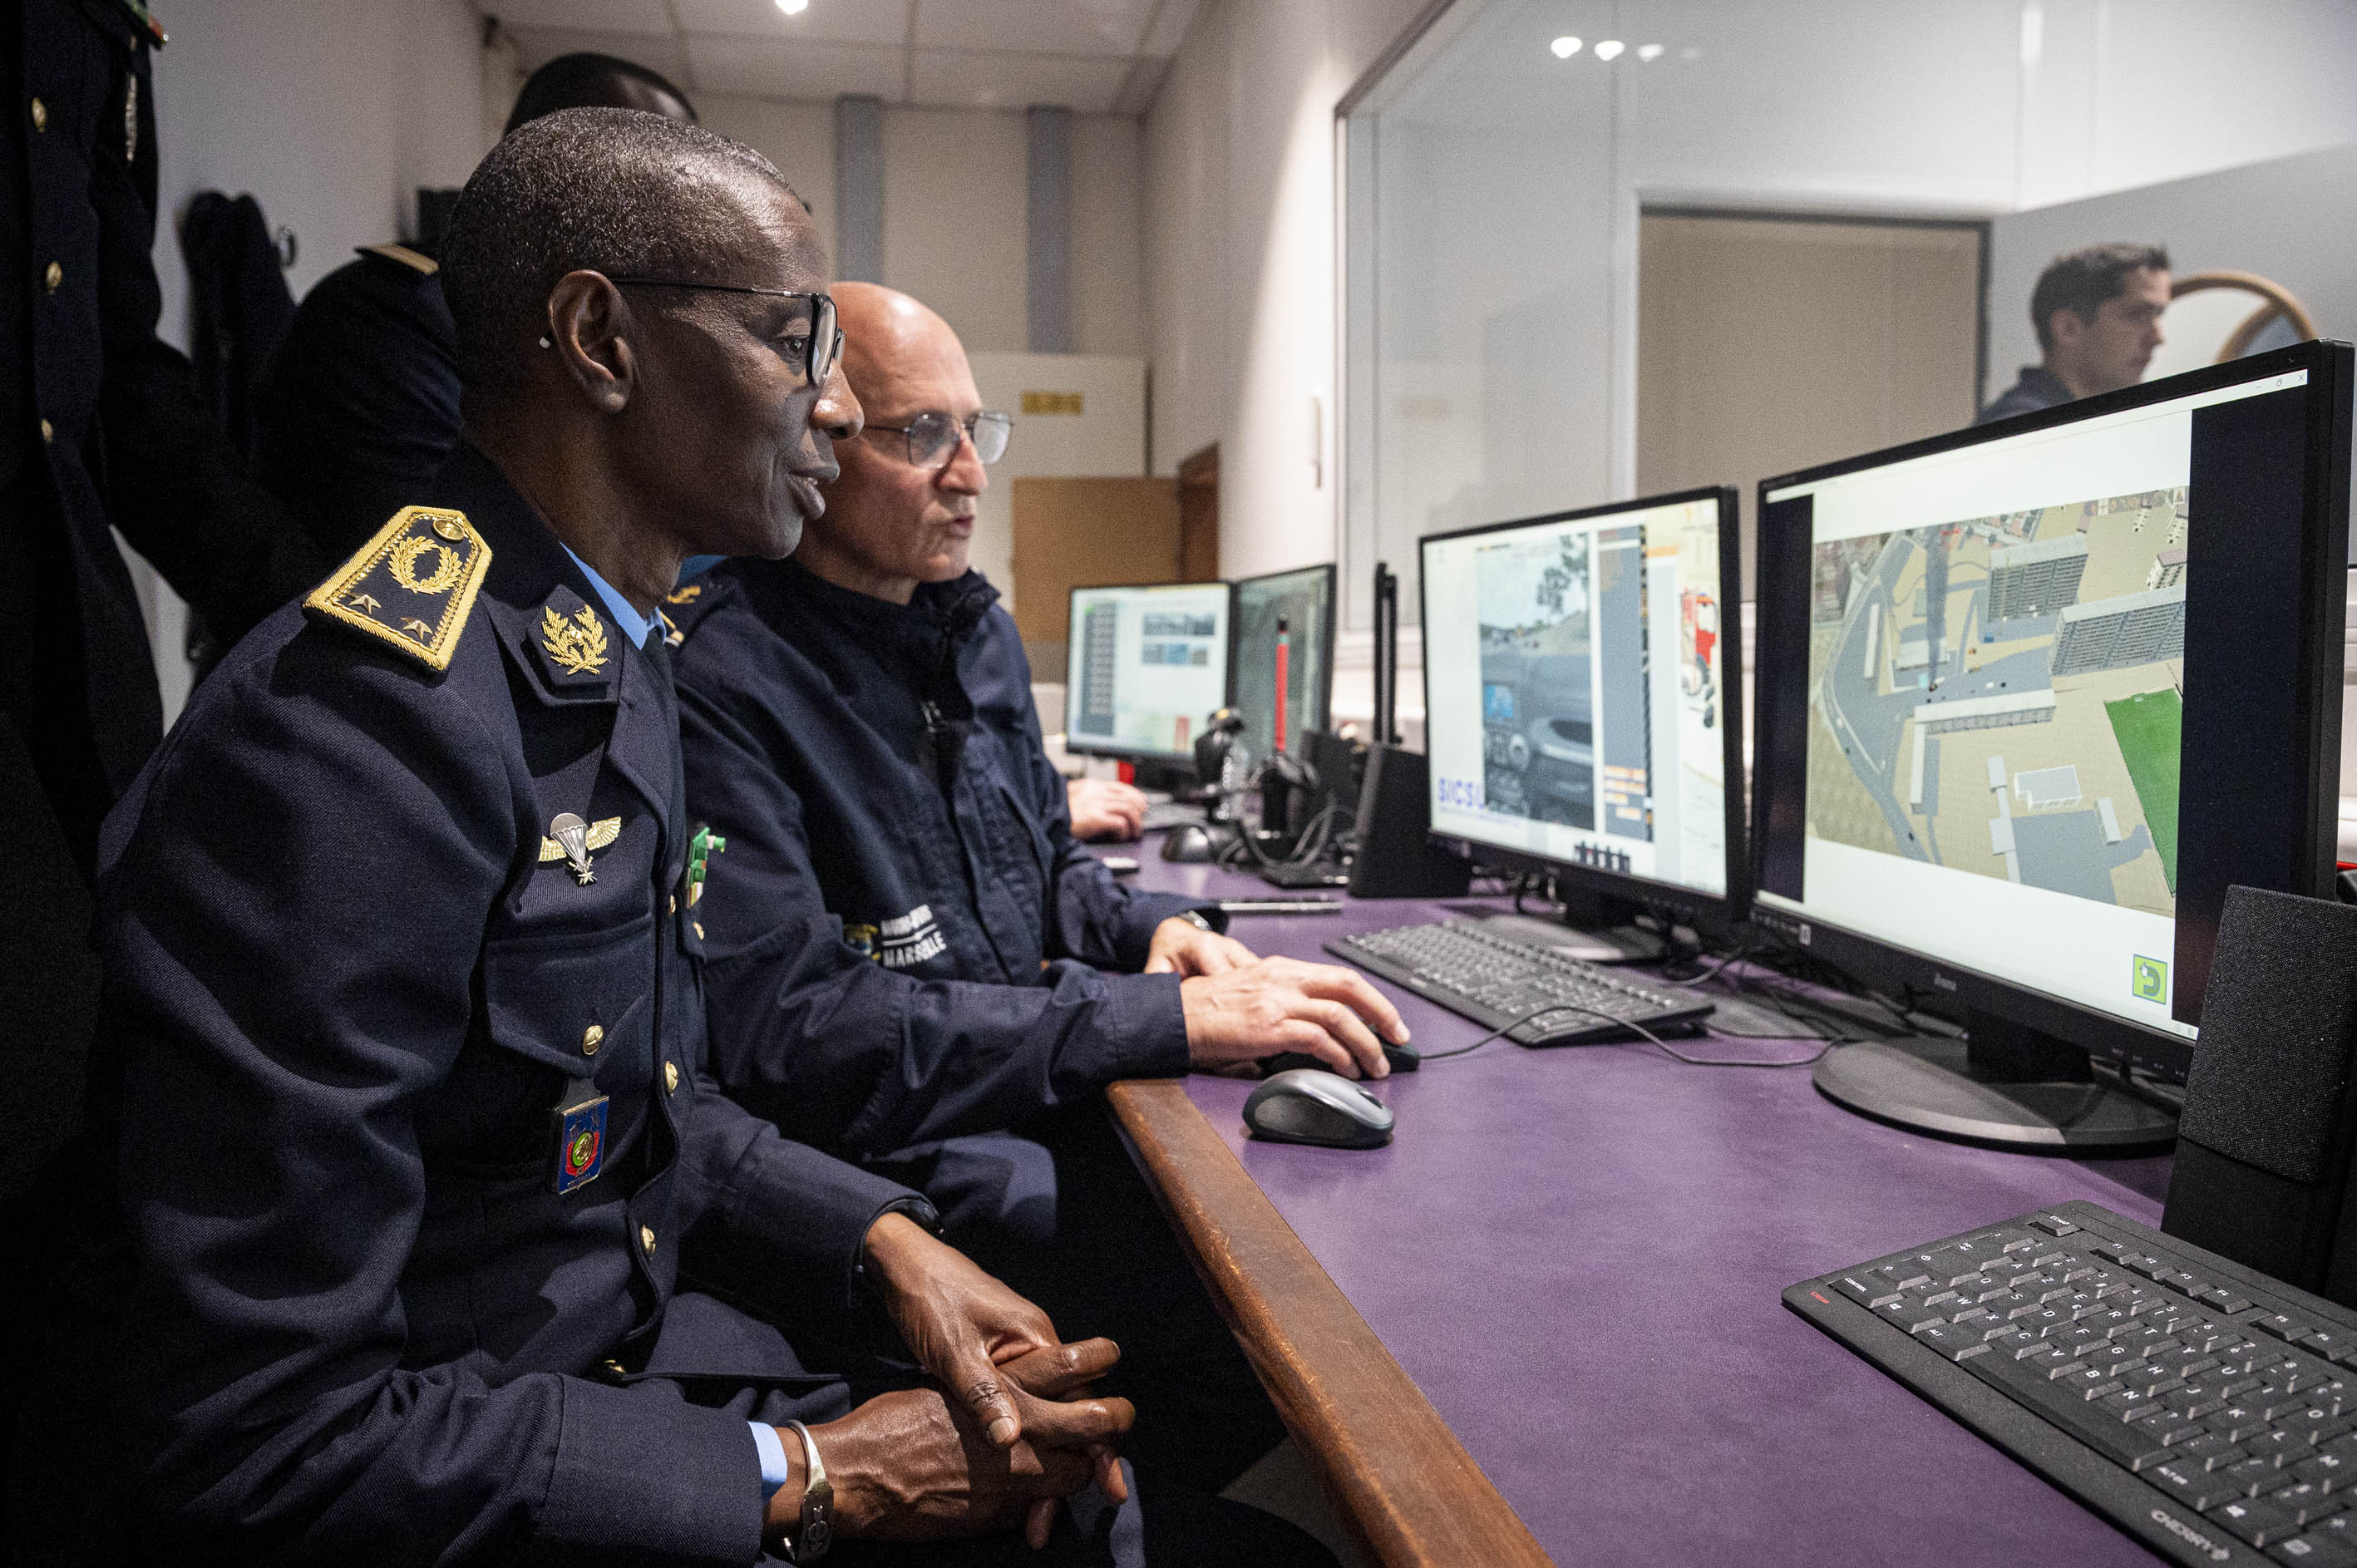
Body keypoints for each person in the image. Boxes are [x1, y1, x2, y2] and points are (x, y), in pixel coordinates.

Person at [9, 110, 1329, 1568]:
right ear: (600, 342)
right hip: (486, 1458)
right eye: (795, 339)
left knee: (1111, 1470)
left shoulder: (599, 656)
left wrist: (878, 1243)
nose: (835, 406)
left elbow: (619, 1102)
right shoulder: (351, 745)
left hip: (609, 1361)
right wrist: (819, 1472)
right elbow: (260, 1432)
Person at [669, 282, 1408, 1490]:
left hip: (1008, 1078)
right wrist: (1156, 1018)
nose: (969, 472)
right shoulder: (723, 678)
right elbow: (799, 1032)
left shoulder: (971, 635)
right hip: (890, 1152)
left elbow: (1044, 867)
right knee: (1242, 1285)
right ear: (818, 439)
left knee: (1281, 1219)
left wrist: (1163, 928)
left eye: (977, 430)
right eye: (922, 434)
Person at [252, 52, 699, 563]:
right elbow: (436, 563)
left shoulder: (578, 333)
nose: (676, 227)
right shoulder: (390, 314)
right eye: (657, 190)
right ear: (545, 170)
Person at [1977, 242, 2171, 424]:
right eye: (2136, 315)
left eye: (2159, 314)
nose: (2158, 338)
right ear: (2067, 328)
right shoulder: (2021, 429)